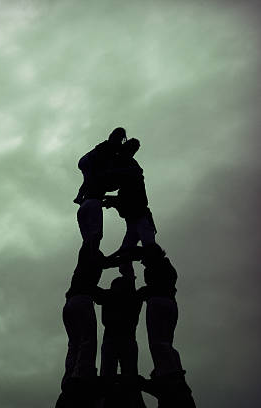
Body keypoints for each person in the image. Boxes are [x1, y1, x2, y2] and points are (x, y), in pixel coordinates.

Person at [137, 244, 196, 407]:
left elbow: (156, 286)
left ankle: (168, 373)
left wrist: (145, 291)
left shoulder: (156, 268)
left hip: (158, 302)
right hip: (169, 303)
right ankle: (168, 371)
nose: (142, 262)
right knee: (165, 343)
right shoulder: (166, 267)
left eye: (143, 258)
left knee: (158, 343)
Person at [55, 243, 105, 407]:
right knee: (87, 341)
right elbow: (105, 261)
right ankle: (81, 375)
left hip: (69, 303)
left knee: (74, 344)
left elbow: (106, 261)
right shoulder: (89, 265)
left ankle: (71, 375)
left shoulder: (81, 271)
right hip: (82, 301)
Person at [103, 138, 157, 277]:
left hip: (141, 217)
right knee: (127, 257)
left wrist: (107, 262)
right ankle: (128, 281)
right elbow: (125, 251)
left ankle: (153, 275)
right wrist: (107, 262)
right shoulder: (127, 178)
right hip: (135, 219)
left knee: (150, 250)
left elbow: (133, 176)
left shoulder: (133, 171)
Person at [94, 276, 146, 408]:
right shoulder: (132, 298)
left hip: (113, 340)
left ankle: (104, 401)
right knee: (129, 376)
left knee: (108, 375)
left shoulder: (109, 296)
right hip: (127, 340)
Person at [75, 128, 127, 252]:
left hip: (85, 161)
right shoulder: (111, 147)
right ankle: (92, 256)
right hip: (89, 165)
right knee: (94, 236)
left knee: (88, 180)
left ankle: (78, 197)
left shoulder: (106, 146)